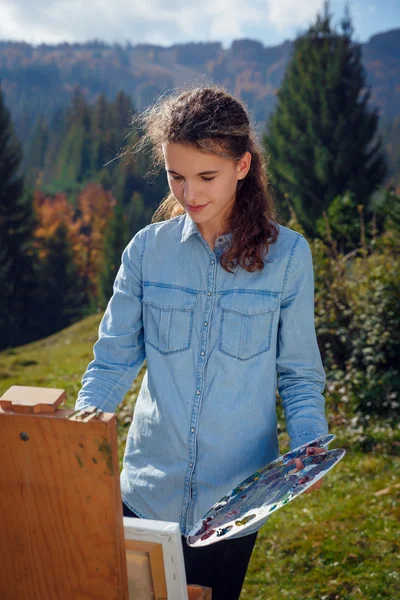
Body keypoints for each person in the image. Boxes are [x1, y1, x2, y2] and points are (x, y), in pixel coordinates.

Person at [75, 84, 329, 600]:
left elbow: (299, 373)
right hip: (144, 497)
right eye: (176, 176)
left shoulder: (288, 257)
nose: (189, 194)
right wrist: (77, 432)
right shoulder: (147, 252)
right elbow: (112, 361)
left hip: (237, 507)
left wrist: (310, 447)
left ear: (242, 166)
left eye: (206, 176)